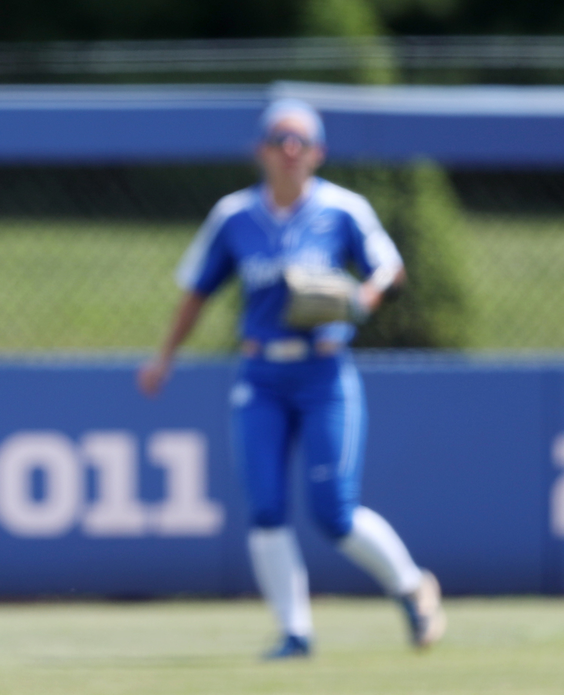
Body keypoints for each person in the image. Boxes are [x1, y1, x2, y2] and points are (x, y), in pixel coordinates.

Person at [138, 98, 446, 659]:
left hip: (323, 372)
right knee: (265, 506)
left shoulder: (343, 209)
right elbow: (196, 292)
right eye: (280, 138)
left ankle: (411, 586)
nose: (289, 150)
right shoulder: (235, 216)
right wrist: (165, 357)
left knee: (334, 512)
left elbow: (388, 265)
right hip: (261, 374)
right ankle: (295, 631)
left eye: (301, 140)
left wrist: (364, 295)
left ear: (318, 152)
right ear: (260, 150)